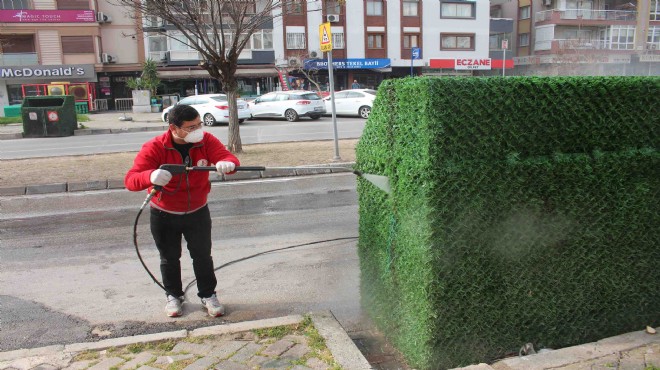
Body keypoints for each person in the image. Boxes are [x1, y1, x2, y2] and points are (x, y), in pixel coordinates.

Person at [124, 104, 239, 318]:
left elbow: (229, 159)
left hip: (197, 212)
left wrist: (226, 164)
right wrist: (150, 176)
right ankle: (173, 296)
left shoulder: (206, 141)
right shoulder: (155, 147)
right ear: (173, 128)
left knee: (203, 256)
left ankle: (208, 295)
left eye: (199, 125)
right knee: (169, 257)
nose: (197, 131)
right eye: (190, 127)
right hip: (164, 213)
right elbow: (131, 180)